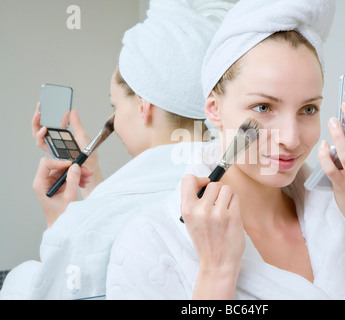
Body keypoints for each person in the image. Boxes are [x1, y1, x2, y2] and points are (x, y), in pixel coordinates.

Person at [106, 0, 345, 299]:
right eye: (264, 107)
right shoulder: (151, 243)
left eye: (308, 109)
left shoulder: (343, 215)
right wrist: (217, 272)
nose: (291, 138)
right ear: (214, 109)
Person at [0, 0, 235, 300]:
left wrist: (60, 226)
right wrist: (97, 186)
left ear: (143, 105)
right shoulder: (234, 191)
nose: (114, 120)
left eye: (115, 106)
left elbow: (45, 289)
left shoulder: (91, 220)